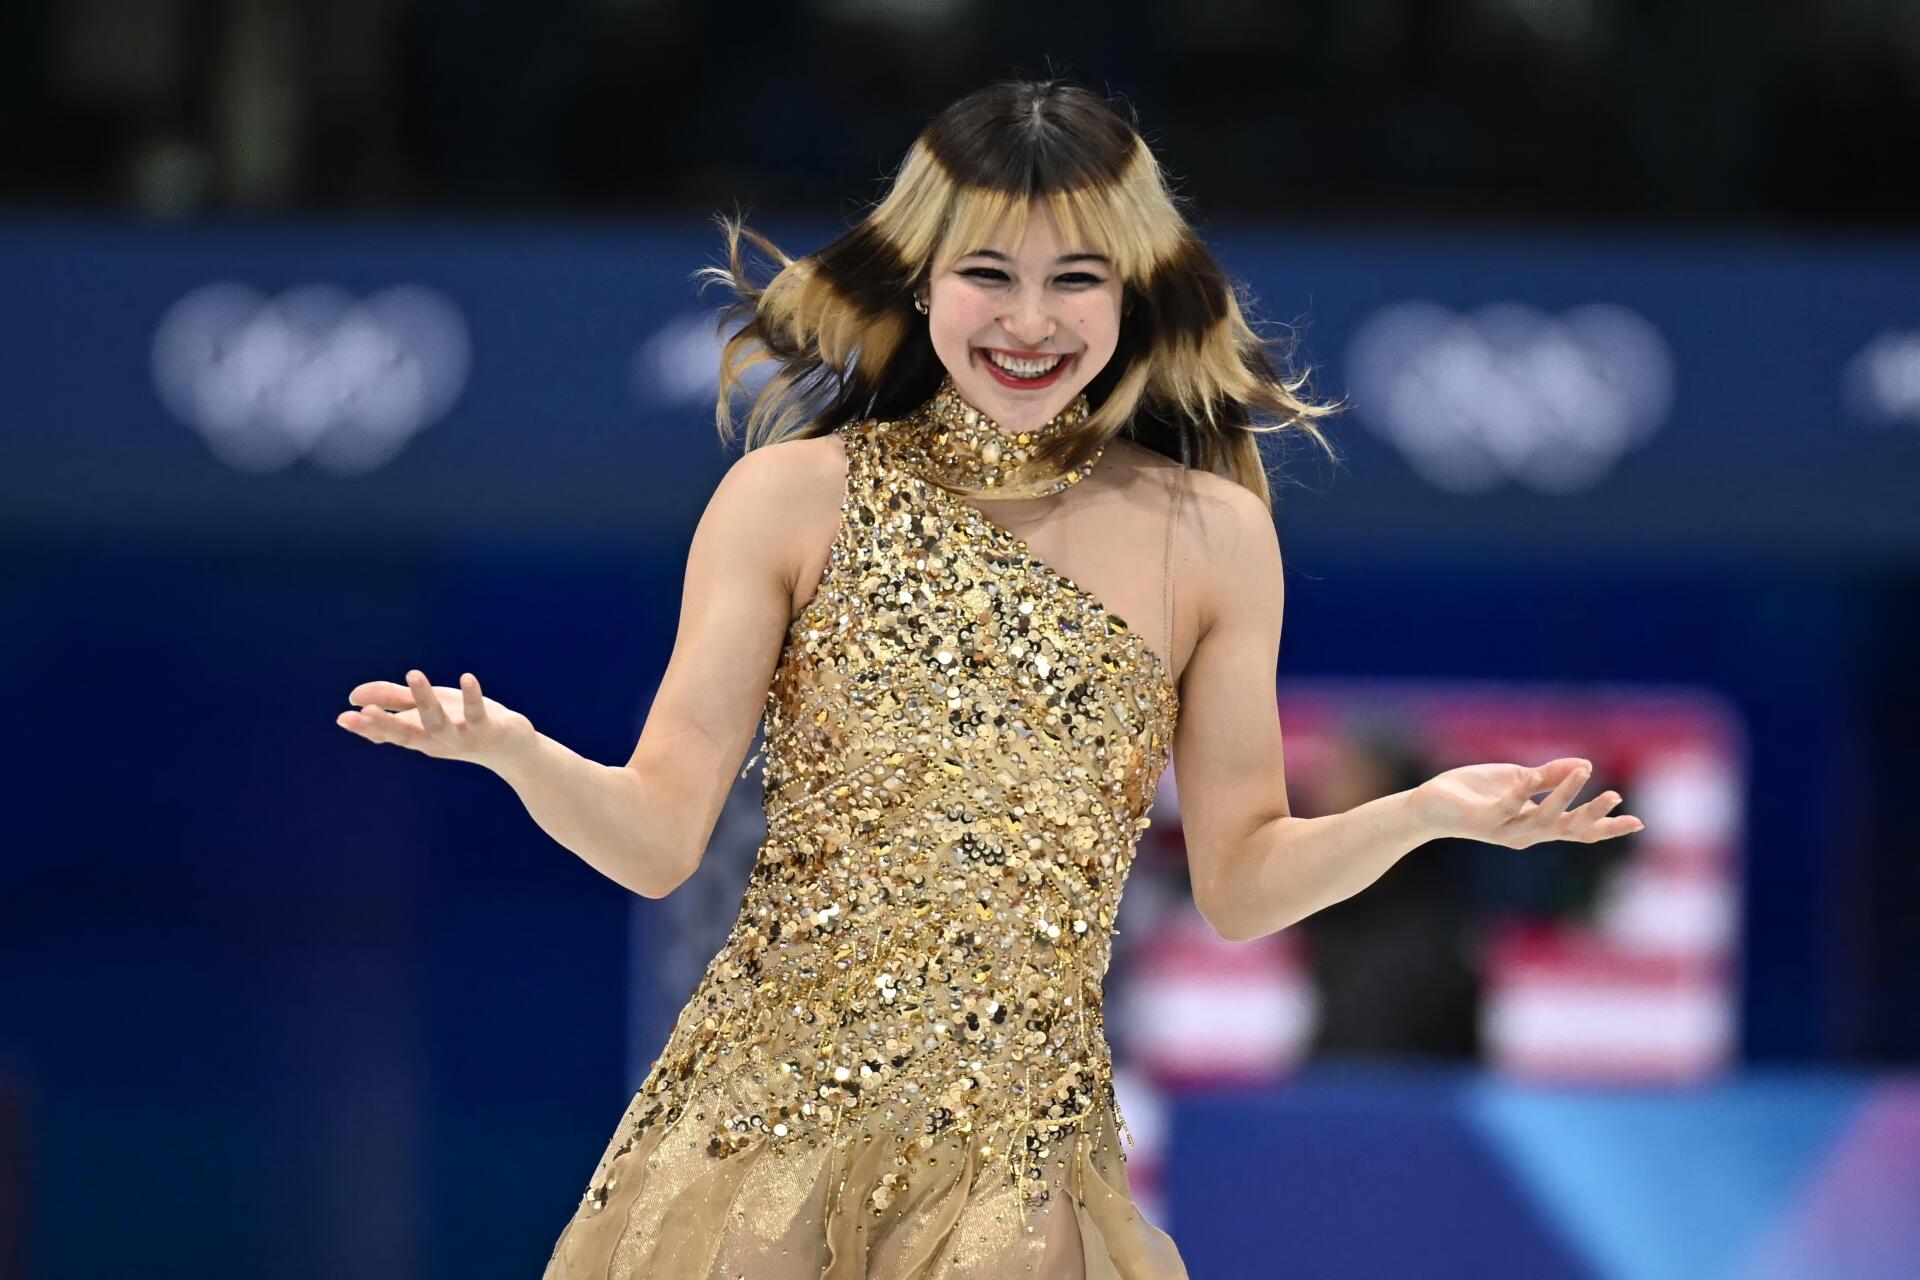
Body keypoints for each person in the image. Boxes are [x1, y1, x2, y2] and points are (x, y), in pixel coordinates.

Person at [335, 78, 1646, 1280]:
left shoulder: (1215, 536)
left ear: (1132, 286)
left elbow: (1242, 882)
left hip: (1020, 1161)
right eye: (987, 275)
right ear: (919, 280)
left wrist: (1423, 815)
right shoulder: (790, 502)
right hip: (760, 1128)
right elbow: (660, 834)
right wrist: (517, 751)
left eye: (1075, 277)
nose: (1031, 322)